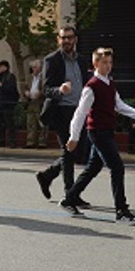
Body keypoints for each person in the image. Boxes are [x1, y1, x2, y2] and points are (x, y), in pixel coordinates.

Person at [58, 48, 135, 224]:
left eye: (110, 62)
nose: (108, 66)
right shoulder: (92, 86)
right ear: (95, 64)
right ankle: (121, 211)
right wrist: (74, 137)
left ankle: (69, 198)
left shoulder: (110, 83)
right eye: (104, 62)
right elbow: (80, 113)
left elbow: (120, 105)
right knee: (117, 168)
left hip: (107, 131)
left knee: (93, 168)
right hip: (98, 133)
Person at [35, 26, 92, 203]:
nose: (66, 41)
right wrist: (60, 89)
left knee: (79, 152)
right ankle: (71, 194)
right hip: (61, 110)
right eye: (63, 38)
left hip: (80, 110)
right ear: (58, 40)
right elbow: (45, 89)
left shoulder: (82, 60)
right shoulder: (52, 60)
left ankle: (47, 175)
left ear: (75, 39)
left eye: (70, 37)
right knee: (69, 150)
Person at [0, 60, 20, 148]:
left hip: (8, 103)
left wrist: (1, 85)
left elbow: (11, 89)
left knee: (9, 123)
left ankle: (12, 142)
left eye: (0, 66)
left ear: (5, 67)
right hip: (0, 102)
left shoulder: (10, 77)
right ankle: (0, 140)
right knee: (0, 123)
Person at [23, 59, 48, 149]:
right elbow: (25, 87)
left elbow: (47, 90)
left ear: (40, 67)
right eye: (33, 67)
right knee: (30, 123)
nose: (34, 69)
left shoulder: (44, 77)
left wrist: (40, 93)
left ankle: (42, 142)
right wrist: (26, 92)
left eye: (35, 67)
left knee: (41, 123)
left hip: (40, 102)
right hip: (30, 101)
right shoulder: (30, 77)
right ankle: (30, 142)